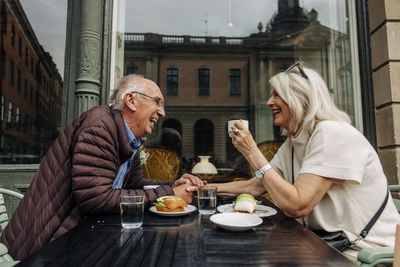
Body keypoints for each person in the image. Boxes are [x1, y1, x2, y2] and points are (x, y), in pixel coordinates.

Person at [0, 74, 204, 260]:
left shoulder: (124, 136)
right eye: (157, 102)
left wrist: (173, 184)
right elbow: (95, 198)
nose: (162, 112)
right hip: (47, 245)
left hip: (77, 236)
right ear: (131, 100)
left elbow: (136, 184)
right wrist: (168, 194)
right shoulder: (100, 126)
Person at [216, 62, 400, 258]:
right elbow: (255, 186)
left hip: (365, 253)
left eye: (277, 95)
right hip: (323, 245)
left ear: (300, 99)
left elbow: (297, 206)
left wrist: (252, 152)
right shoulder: (295, 142)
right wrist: (203, 189)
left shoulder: (332, 133)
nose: (269, 102)